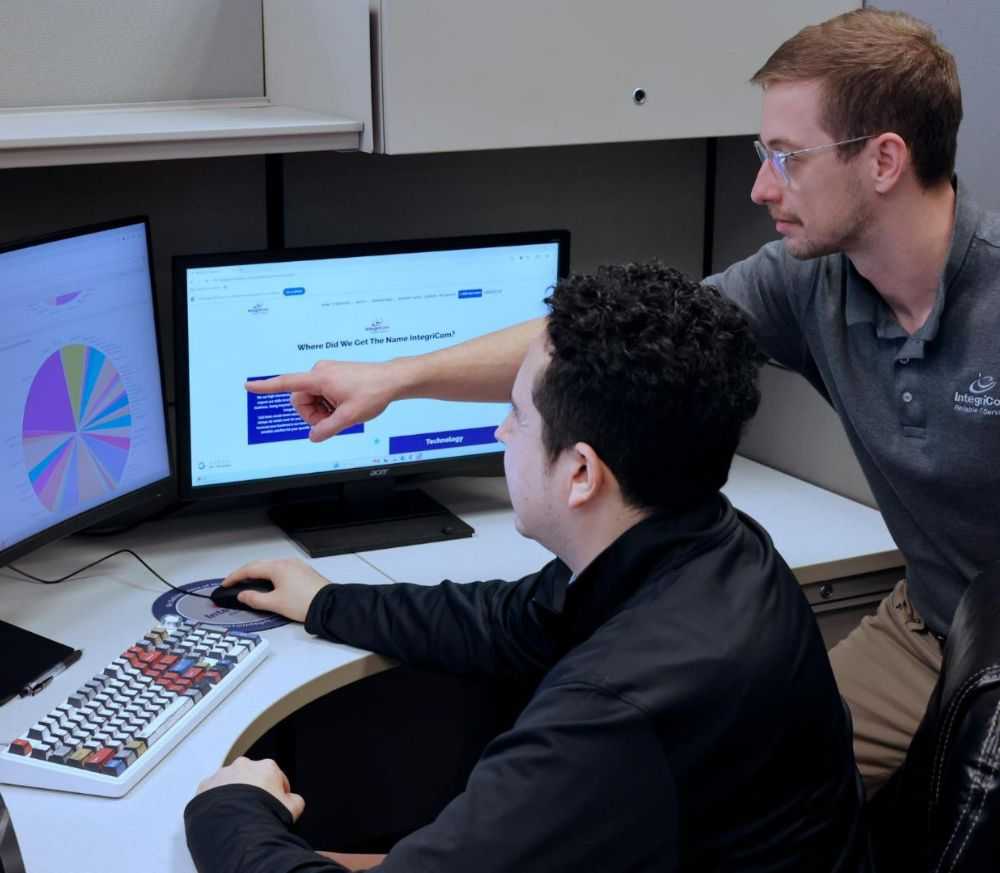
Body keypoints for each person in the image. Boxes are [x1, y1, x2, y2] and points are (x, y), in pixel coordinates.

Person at [244, 8, 996, 798]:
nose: (760, 185)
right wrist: (396, 379)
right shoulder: (810, 282)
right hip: (927, 625)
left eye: (787, 156)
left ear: (883, 161)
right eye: (759, 152)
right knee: (757, 785)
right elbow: (594, 348)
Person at [185, 264, 868, 872]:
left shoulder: (616, 710)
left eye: (516, 414)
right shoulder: (707, 540)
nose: (501, 433)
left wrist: (231, 808)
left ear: (579, 472)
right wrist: (325, 603)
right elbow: (511, 617)